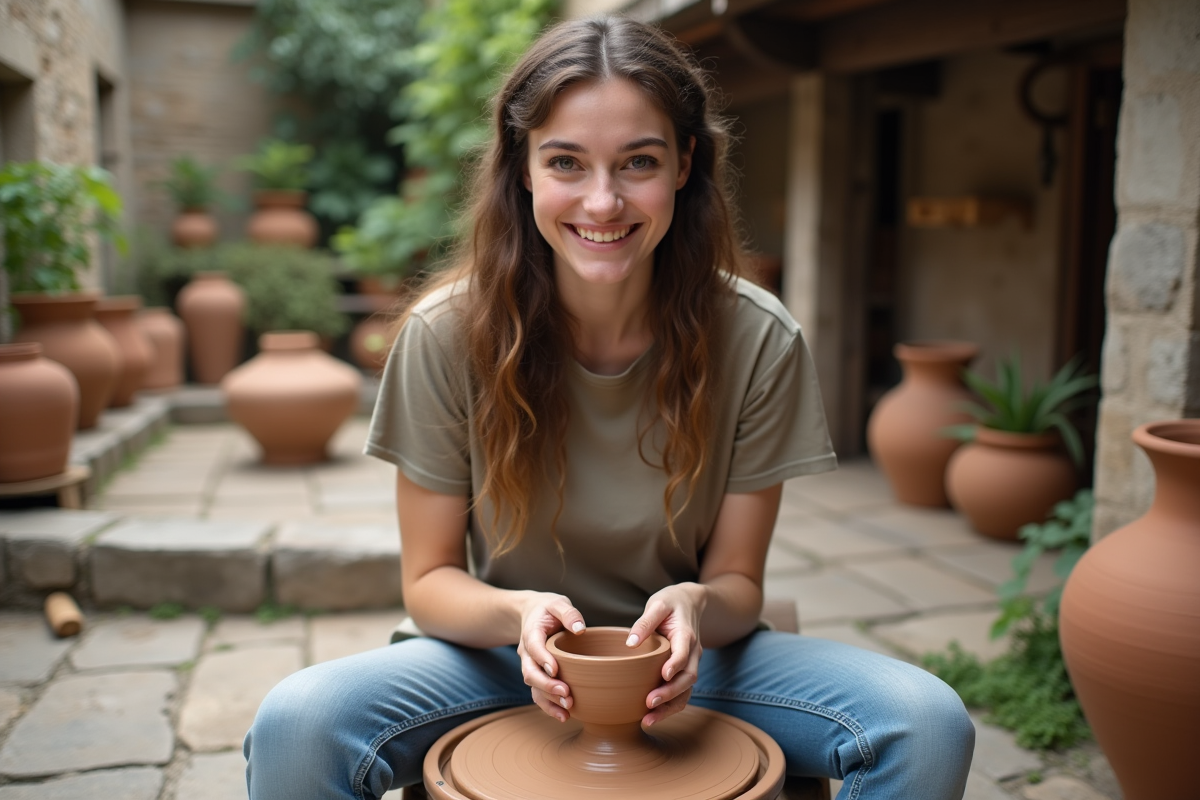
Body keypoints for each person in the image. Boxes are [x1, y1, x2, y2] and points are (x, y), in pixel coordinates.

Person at [244, 15, 974, 800]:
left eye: (639, 162)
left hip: (688, 665)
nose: (602, 201)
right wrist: (518, 614)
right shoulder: (445, 334)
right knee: (298, 721)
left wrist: (695, 604)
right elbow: (428, 582)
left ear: (686, 165)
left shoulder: (759, 338)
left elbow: (737, 584)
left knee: (926, 722)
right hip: (499, 659)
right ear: (522, 169)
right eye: (566, 162)